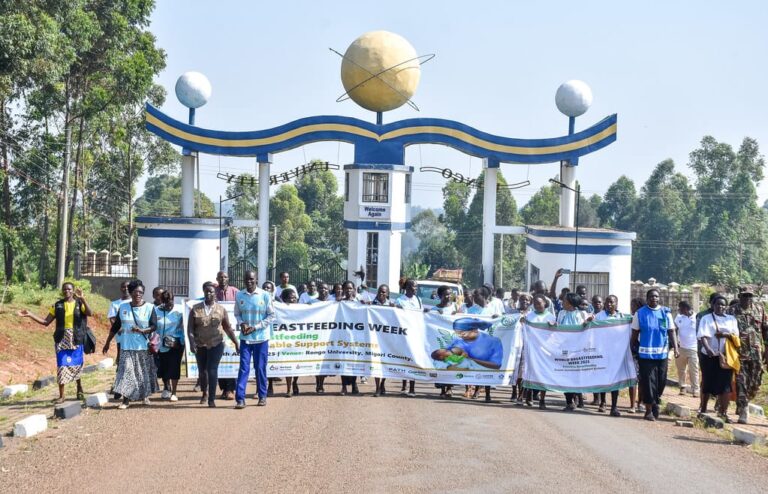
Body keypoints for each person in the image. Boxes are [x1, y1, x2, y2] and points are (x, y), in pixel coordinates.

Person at [18, 282, 93, 403]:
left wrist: (83, 298)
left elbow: (90, 313)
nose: (66, 291)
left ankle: (79, 388)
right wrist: (30, 314)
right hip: (61, 339)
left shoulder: (79, 303)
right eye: (64, 289)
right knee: (61, 365)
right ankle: (62, 396)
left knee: (77, 364)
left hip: (76, 338)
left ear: (73, 291)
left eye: (69, 289)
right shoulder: (57, 305)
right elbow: (45, 322)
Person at [188, 281, 239, 408]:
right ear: (204, 292)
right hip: (200, 344)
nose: (209, 293)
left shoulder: (221, 310)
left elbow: (227, 328)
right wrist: (192, 342)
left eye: (211, 291)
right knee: (202, 371)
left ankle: (211, 398)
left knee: (212, 370)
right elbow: (190, 329)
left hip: (217, 343)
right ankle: (204, 393)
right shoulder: (195, 308)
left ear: (215, 294)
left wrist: (236, 343)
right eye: (207, 291)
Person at [631, 288, 679, 421]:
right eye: (651, 296)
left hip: (662, 354)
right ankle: (648, 410)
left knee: (661, 381)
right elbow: (634, 333)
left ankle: (655, 401)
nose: (654, 298)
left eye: (656, 296)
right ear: (647, 299)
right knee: (647, 382)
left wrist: (675, 348)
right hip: (645, 355)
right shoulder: (640, 314)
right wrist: (630, 349)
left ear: (659, 298)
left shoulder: (665, 313)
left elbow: (671, 331)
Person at [111, 280, 158, 409]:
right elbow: (116, 326)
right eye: (136, 292)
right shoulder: (123, 307)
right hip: (126, 346)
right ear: (131, 292)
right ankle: (126, 400)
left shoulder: (149, 307)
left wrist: (143, 330)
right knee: (127, 372)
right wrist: (107, 342)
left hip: (142, 347)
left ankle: (145, 396)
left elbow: (154, 326)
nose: (138, 294)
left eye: (141, 292)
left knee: (143, 373)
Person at [233, 271, 274, 408]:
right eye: (246, 279)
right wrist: (242, 324)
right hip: (245, 338)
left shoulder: (265, 295)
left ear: (256, 279)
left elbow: (271, 316)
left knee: (260, 368)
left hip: (261, 338)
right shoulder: (239, 295)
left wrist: (255, 327)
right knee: (243, 368)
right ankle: (240, 399)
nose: (249, 281)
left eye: (251, 279)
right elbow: (237, 314)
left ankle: (262, 396)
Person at [727, 287, 766, 424]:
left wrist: (766, 348)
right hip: (739, 353)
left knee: (756, 382)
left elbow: (765, 329)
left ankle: (744, 401)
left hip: (756, 352)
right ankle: (743, 410)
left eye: (750, 296)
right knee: (741, 382)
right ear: (740, 296)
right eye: (745, 296)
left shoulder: (759, 309)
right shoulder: (731, 311)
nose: (748, 298)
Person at [698, 295, 739, 422]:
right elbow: (702, 336)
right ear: (712, 305)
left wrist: (725, 334)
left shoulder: (731, 319)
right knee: (707, 382)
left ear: (726, 307)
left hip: (726, 356)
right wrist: (708, 349)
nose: (720, 307)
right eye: (717, 304)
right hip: (709, 356)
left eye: (723, 305)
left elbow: (735, 336)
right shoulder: (706, 318)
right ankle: (703, 409)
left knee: (725, 385)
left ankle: (723, 412)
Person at [556, 293, 593, 411]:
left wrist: (587, 322)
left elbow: (584, 329)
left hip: (577, 350)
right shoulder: (561, 313)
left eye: (565, 301)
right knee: (565, 374)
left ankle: (576, 398)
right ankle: (568, 401)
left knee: (575, 375)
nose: (562, 303)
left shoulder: (581, 314)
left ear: (570, 303)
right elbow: (558, 327)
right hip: (564, 349)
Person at [521, 294, 556, 409]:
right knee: (530, 373)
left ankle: (542, 399)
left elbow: (555, 333)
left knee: (543, 375)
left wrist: (553, 326)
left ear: (545, 304)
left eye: (539, 303)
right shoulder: (529, 316)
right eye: (535, 303)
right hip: (532, 349)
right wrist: (522, 322)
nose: (537, 305)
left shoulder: (550, 317)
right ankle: (529, 395)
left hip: (545, 350)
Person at [594, 294, 626, 416]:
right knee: (603, 378)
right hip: (602, 352)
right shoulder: (599, 316)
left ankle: (614, 406)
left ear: (616, 304)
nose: (609, 304)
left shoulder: (621, 317)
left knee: (615, 381)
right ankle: (602, 402)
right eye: (607, 302)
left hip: (616, 354)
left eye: (611, 302)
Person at [155, 290, 184, 402]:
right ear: (161, 301)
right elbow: (153, 325)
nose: (169, 304)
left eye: (170, 301)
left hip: (176, 344)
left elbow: (185, 325)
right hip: (161, 344)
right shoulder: (156, 311)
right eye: (166, 302)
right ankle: (167, 387)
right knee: (163, 367)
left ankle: (174, 392)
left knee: (174, 367)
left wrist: (180, 341)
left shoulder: (180, 310)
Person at [215, 270, 239, 400]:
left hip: (232, 330)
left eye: (225, 277)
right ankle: (223, 388)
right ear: (217, 279)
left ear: (228, 278)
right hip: (217, 332)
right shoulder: (213, 292)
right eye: (220, 277)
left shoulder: (235, 292)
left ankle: (231, 389)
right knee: (220, 360)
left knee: (231, 359)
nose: (223, 279)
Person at [104, 281, 130, 399]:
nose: (126, 289)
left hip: (135, 339)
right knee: (121, 361)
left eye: (128, 287)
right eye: (123, 287)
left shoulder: (136, 303)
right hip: (121, 338)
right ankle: (118, 386)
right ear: (120, 288)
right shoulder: (115, 304)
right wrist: (119, 328)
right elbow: (113, 320)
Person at [370, 284, 394, 396]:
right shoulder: (372, 304)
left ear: (388, 294)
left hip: (387, 339)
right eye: (380, 291)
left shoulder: (391, 305)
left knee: (385, 363)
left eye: (384, 292)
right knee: (376, 363)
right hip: (375, 338)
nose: (381, 294)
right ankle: (377, 388)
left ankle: (383, 383)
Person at [339, 280, 360, 395]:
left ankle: (354, 384)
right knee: (343, 360)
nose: (348, 290)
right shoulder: (339, 303)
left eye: (350, 288)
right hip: (342, 336)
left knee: (354, 361)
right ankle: (343, 386)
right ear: (343, 290)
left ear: (354, 289)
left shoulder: (359, 302)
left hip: (356, 337)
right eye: (346, 288)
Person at [674, 300, 699, 398]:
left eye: (680, 308)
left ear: (685, 309)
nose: (678, 310)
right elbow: (674, 330)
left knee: (694, 370)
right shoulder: (679, 317)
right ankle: (682, 387)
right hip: (681, 347)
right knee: (681, 369)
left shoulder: (697, 318)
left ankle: (695, 389)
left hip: (693, 348)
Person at [627, 297, 646, 413]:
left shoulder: (642, 318)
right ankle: (632, 405)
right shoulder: (629, 319)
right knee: (633, 379)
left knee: (642, 380)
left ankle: (641, 403)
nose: (632, 308)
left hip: (643, 351)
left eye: (633, 306)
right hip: (633, 351)